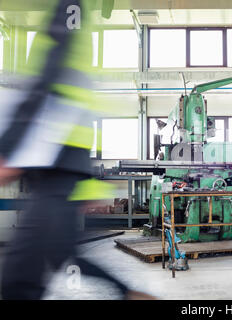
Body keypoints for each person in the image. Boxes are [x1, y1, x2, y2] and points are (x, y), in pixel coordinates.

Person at [0, 0, 155, 300]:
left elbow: (46, 84)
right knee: (58, 256)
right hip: (60, 167)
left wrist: (8, 148)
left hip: (53, 165)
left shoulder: (66, 12)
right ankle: (129, 294)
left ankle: (130, 294)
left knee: (18, 278)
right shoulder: (79, 17)